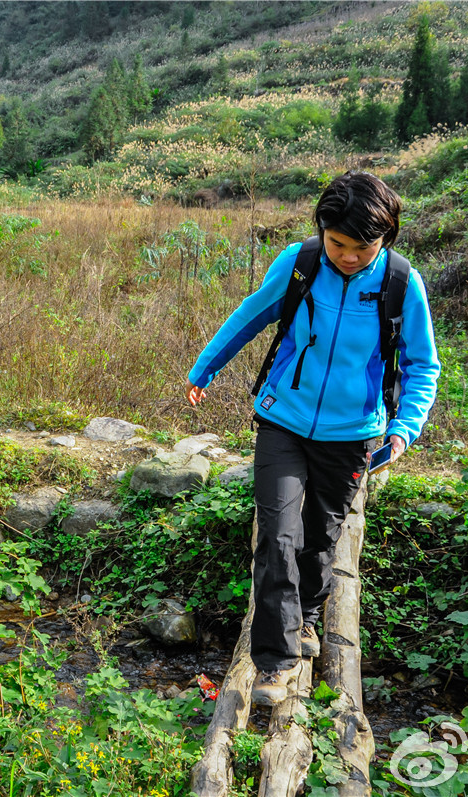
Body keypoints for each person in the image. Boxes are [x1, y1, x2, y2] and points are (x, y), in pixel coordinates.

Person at [186, 171, 440, 704]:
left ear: (385, 237)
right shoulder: (299, 264)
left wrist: (403, 429)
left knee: (320, 538)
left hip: (352, 435)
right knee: (277, 533)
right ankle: (275, 664)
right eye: (338, 244)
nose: (347, 256)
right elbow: (250, 317)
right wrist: (204, 370)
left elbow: (422, 366)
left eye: (361, 247)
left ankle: (303, 616)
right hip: (284, 420)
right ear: (322, 231)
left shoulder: (400, 283)